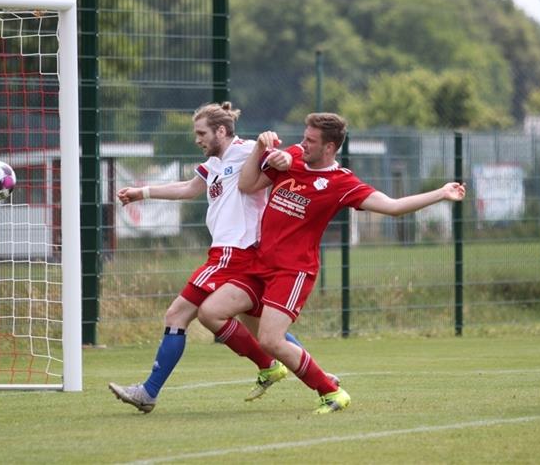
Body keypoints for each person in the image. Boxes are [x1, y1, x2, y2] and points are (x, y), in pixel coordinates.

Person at [198, 112, 466, 414]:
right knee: (210, 311)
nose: (303, 144)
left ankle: (331, 392)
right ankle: (274, 369)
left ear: (329, 148)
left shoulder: (341, 183)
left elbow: (393, 208)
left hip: (293, 271)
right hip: (260, 264)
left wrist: (441, 193)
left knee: (271, 340)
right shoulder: (293, 157)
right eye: (304, 136)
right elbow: (247, 185)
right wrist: (262, 151)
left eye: (311, 140)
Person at [108, 102, 303, 413]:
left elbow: (288, 160)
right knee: (258, 325)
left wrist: (286, 152)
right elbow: (188, 188)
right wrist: (142, 192)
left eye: (201, 133)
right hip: (229, 252)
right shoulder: (214, 164)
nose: (197, 139)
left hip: (236, 252)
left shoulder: (247, 150)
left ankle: (148, 392)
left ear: (221, 131)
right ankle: (317, 376)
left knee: (177, 315)